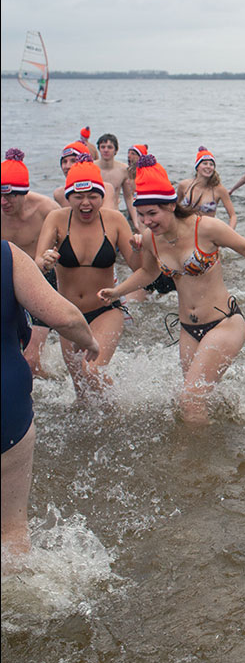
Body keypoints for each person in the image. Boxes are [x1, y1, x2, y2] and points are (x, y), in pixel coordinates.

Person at [98, 155, 245, 423]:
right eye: (141, 214)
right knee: (196, 398)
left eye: (152, 213)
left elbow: (244, 247)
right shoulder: (151, 238)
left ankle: (195, 462)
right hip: (188, 330)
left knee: (190, 399)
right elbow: (148, 272)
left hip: (224, 323)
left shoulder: (205, 227)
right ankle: (225, 431)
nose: (146, 221)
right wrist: (117, 291)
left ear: (171, 205)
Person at [2, 238, 98, 558]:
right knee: (12, 529)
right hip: (7, 405)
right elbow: (64, 318)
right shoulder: (7, 255)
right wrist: (90, 343)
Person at [33, 158, 138, 399]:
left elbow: (138, 267)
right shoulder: (57, 219)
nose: (86, 203)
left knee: (91, 371)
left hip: (105, 310)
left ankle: (121, 415)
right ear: (68, 197)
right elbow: (38, 261)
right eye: (78, 197)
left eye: (93, 195)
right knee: (80, 387)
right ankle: (96, 435)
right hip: (67, 314)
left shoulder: (115, 220)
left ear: (102, 195)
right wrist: (45, 261)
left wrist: (143, 247)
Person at [2, 148, 60, 376]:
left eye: (9, 196)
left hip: (41, 281)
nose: (3, 202)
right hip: (8, 283)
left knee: (30, 359)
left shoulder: (46, 209)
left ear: (23, 192)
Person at [179, 147, 237, 229]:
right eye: (205, 163)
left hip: (207, 232)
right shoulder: (184, 185)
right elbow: (174, 208)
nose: (208, 166)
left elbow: (233, 216)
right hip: (186, 228)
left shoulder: (219, 189)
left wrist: (230, 234)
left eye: (211, 164)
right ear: (197, 167)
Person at [94, 134, 128, 216]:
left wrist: (136, 223)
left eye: (110, 147)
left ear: (115, 150)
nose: (106, 150)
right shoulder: (90, 167)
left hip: (115, 213)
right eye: (103, 147)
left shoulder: (124, 169)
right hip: (95, 214)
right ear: (99, 149)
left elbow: (128, 197)